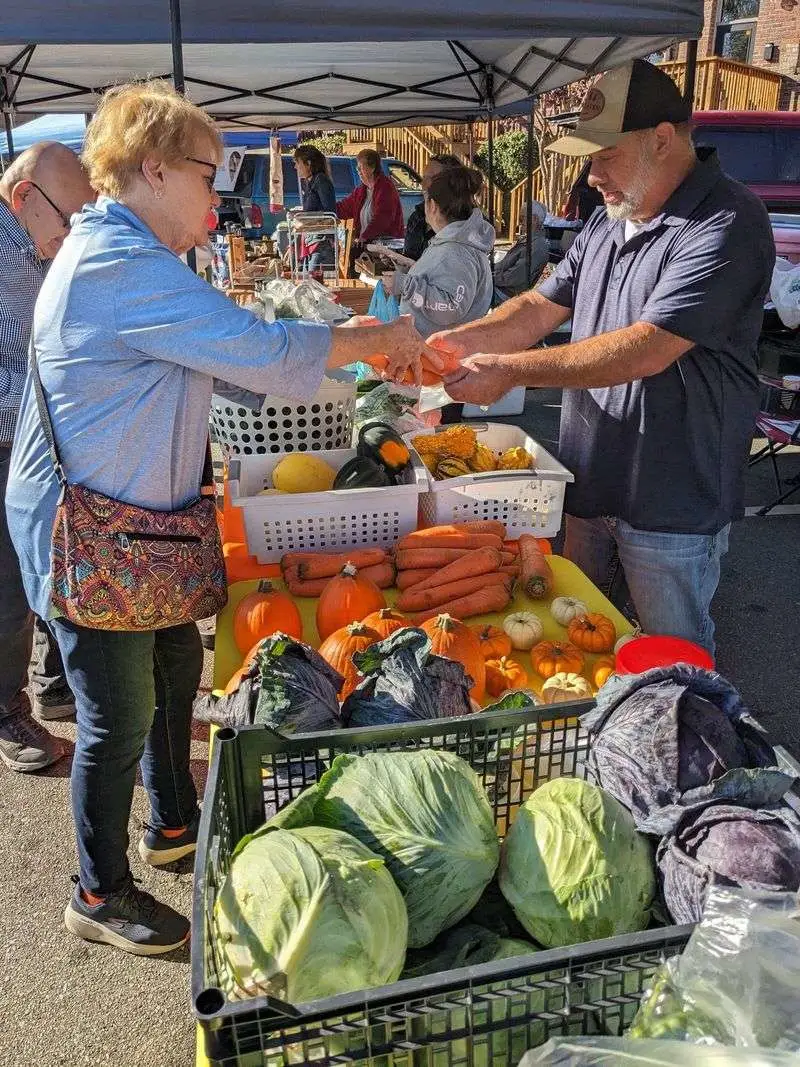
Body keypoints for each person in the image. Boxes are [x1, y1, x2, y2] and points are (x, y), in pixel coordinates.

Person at [6, 80, 438, 956]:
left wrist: (344, 354)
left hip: (134, 522)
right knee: (114, 714)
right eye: (214, 172)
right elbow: (263, 351)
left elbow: (235, 355)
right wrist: (376, 344)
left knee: (172, 665)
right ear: (155, 169)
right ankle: (98, 891)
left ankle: (171, 824)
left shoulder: (127, 253)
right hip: (91, 532)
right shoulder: (115, 264)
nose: (220, 191)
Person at [434, 59, 775, 655]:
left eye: (603, 155)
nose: (591, 175)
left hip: (672, 502)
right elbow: (536, 309)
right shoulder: (605, 225)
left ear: (662, 139)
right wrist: (445, 348)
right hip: (592, 486)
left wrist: (511, 371)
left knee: (674, 666)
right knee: (582, 650)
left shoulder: (727, 221)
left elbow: (646, 348)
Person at [0, 142, 94, 774]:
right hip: (7, 442)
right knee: (9, 587)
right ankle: (7, 710)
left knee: (44, 571)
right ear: (25, 198)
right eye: (67, 219)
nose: (69, 235)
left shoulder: (31, 246)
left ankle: (57, 683)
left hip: (31, 441)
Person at [382, 165, 494, 338]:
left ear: (432, 205)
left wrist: (406, 285)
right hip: (435, 351)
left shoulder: (456, 251)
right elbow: (441, 280)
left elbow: (451, 307)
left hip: (440, 356)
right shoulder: (452, 244)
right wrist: (411, 270)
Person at [337, 149, 404, 253]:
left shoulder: (385, 187)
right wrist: (328, 210)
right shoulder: (361, 190)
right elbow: (344, 208)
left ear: (372, 168)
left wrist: (365, 236)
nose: (357, 170)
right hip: (368, 244)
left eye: (360, 167)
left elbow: (382, 218)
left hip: (386, 246)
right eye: (357, 167)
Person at [403, 153, 462, 261]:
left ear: (451, 182)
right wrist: (394, 258)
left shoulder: (462, 224)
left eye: (431, 178)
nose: (423, 184)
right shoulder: (417, 216)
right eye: (424, 177)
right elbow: (409, 255)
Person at [494, 200, 550, 299]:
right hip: (501, 287)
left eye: (523, 218)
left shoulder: (537, 246)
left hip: (506, 293)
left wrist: (490, 278)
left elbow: (515, 277)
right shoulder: (528, 239)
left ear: (535, 219)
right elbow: (504, 265)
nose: (520, 222)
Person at [293, 144, 336, 272]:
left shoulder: (321, 181)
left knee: (315, 284)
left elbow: (330, 214)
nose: (295, 167)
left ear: (309, 163)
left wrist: (306, 218)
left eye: (298, 163)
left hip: (321, 244)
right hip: (311, 242)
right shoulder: (311, 182)